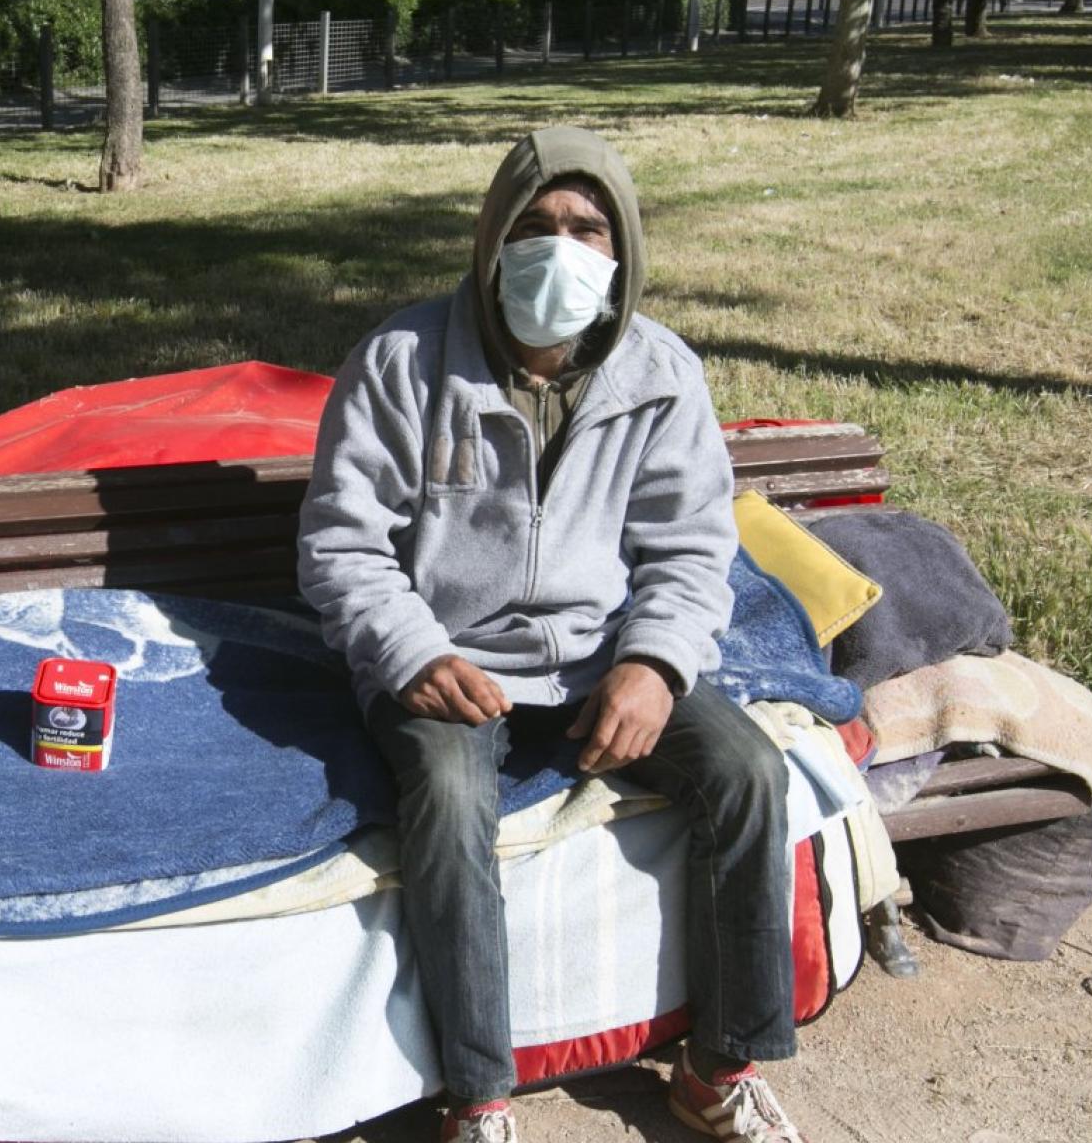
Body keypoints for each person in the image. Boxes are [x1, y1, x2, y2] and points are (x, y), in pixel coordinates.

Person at [297, 127, 808, 1143]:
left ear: (621, 252)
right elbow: (342, 546)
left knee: (748, 769)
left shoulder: (661, 374)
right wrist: (411, 652)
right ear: (492, 241)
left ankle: (717, 1070)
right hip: (447, 661)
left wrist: (655, 663)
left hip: (597, 656)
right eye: (534, 226)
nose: (559, 247)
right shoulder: (403, 361)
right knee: (445, 795)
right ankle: (478, 1095)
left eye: (585, 227)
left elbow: (692, 550)